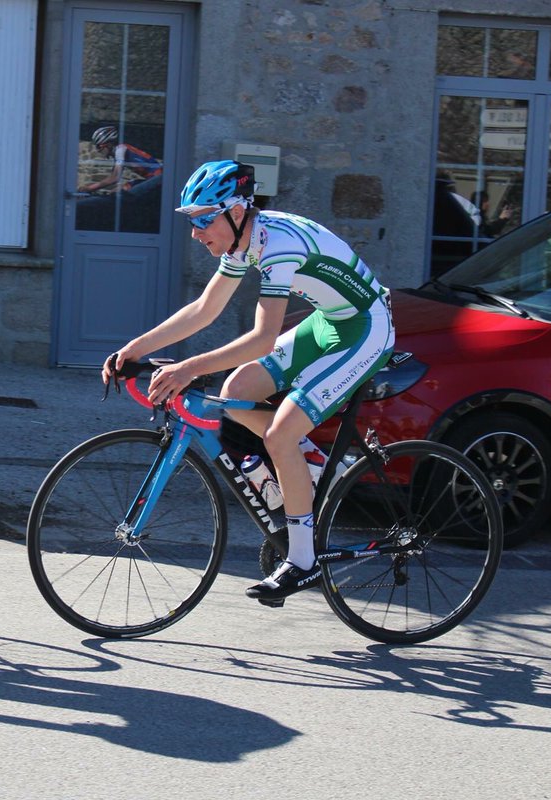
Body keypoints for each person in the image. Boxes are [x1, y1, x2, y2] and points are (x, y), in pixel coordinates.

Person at [101, 160, 395, 601]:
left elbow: (262, 339)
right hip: (328, 321)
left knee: (279, 435)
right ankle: (312, 466)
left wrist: (188, 368)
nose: (197, 233)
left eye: (203, 220)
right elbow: (205, 309)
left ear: (236, 212)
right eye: (192, 222)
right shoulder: (244, 242)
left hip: (366, 329)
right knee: (235, 393)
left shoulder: (277, 245)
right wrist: (135, 350)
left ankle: (302, 562)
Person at [78, 125, 163, 195]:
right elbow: (113, 177)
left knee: (120, 193)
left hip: (157, 178)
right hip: (152, 178)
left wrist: (89, 188)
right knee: (118, 191)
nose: (97, 150)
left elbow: (115, 178)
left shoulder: (120, 150)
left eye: (99, 146)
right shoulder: (119, 151)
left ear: (108, 144)